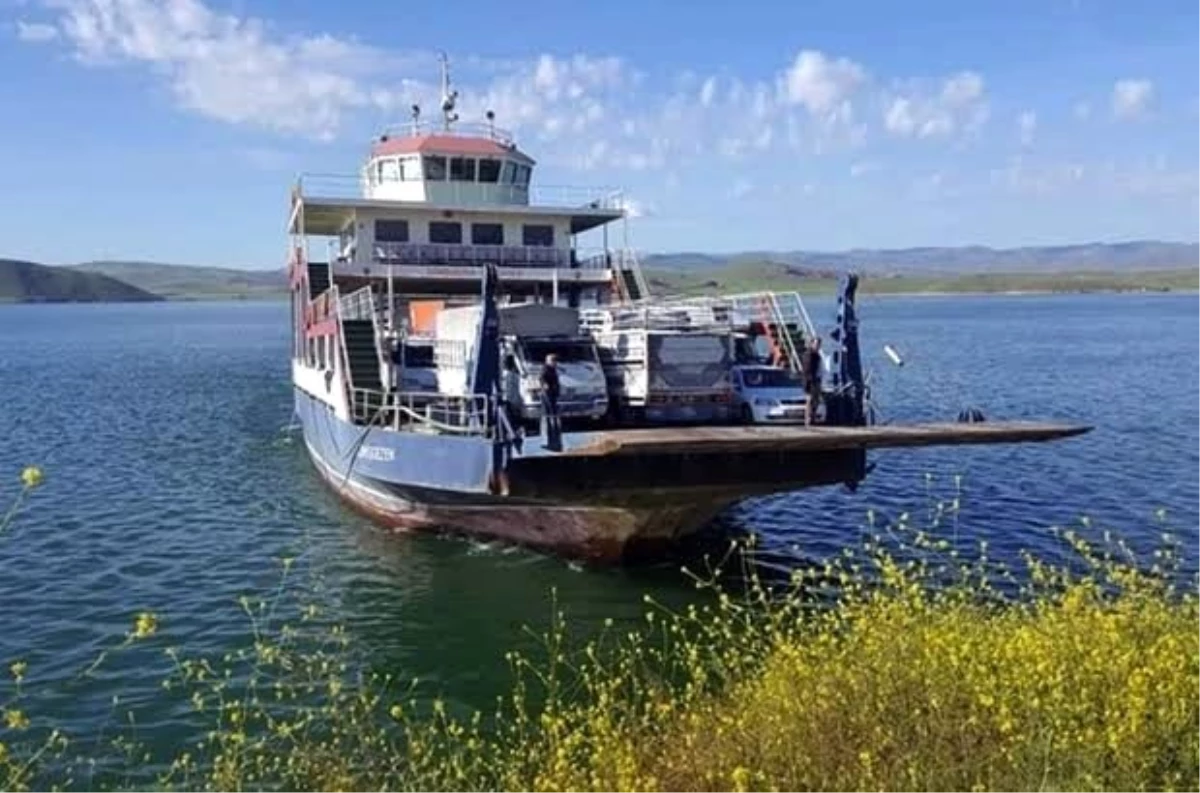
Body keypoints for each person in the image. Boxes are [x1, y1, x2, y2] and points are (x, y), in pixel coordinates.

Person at [539, 353, 562, 444]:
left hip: (553, 393)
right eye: (553, 360)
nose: (555, 362)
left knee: (553, 410)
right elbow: (542, 378)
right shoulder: (545, 369)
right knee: (549, 411)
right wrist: (545, 385)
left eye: (555, 360)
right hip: (547, 394)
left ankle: (554, 428)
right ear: (548, 361)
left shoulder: (553, 369)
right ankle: (549, 431)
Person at [802, 336, 822, 426]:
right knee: (810, 400)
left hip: (816, 380)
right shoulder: (809, 354)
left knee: (816, 400)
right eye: (816, 344)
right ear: (812, 344)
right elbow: (807, 370)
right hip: (810, 381)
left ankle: (813, 417)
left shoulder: (817, 355)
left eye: (819, 344)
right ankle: (808, 419)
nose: (818, 346)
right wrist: (811, 381)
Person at [500, 355, 523, 433]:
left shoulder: (504, 375)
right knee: (514, 418)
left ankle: (508, 431)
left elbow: (504, 388)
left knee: (508, 417)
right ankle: (515, 431)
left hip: (507, 399)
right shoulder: (516, 375)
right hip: (514, 400)